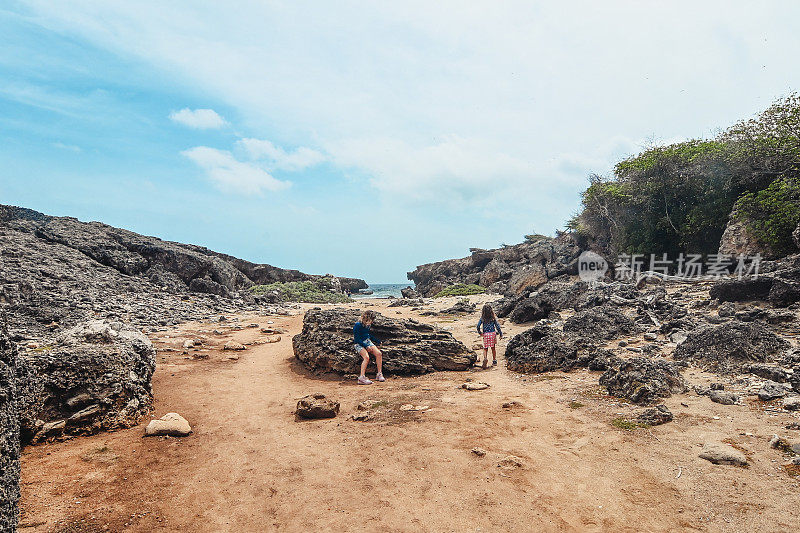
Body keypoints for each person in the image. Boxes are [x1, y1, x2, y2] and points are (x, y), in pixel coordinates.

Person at [353, 310, 385, 385]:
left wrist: (377, 341)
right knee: (366, 357)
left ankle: (379, 374)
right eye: (372, 320)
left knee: (379, 354)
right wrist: (366, 346)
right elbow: (357, 339)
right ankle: (361, 377)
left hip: (367, 341)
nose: (372, 322)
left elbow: (368, 335)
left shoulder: (367, 325)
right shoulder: (358, 325)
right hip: (359, 344)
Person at [477, 304, 502, 369]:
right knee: (493, 348)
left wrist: (480, 333)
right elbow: (497, 326)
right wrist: (500, 334)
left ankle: (485, 358)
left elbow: (478, 326)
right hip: (492, 334)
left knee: (485, 348)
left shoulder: (482, 318)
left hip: (486, 334)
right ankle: (494, 361)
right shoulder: (493, 318)